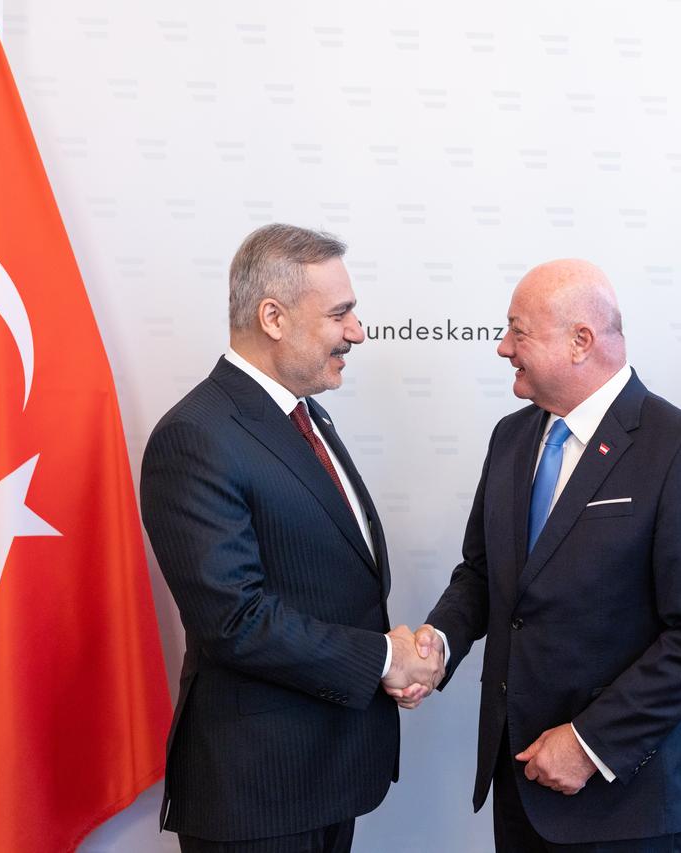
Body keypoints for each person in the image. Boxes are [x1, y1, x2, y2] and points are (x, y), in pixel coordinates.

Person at [391, 259, 681, 852]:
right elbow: (482, 574)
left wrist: (590, 743)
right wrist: (438, 644)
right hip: (519, 779)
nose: (502, 348)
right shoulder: (511, 437)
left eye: (517, 331)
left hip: (619, 798)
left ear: (581, 340)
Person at [140, 224, 443, 853]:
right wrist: (384, 660)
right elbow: (236, 620)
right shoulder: (196, 436)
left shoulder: (306, 414)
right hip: (258, 792)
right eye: (340, 314)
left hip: (327, 773)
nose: (357, 332)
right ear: (272, 317)